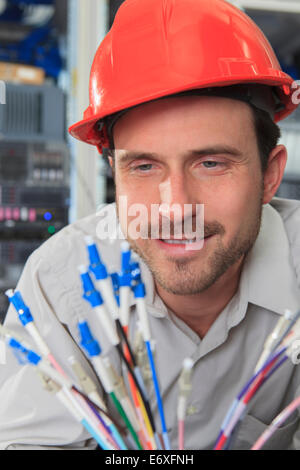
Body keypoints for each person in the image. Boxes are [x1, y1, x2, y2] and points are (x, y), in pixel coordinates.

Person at [1, 0, 300, 450]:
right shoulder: (59, 285)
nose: (176, 207)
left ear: (269, 175)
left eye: (211, 162)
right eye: (143, 167)